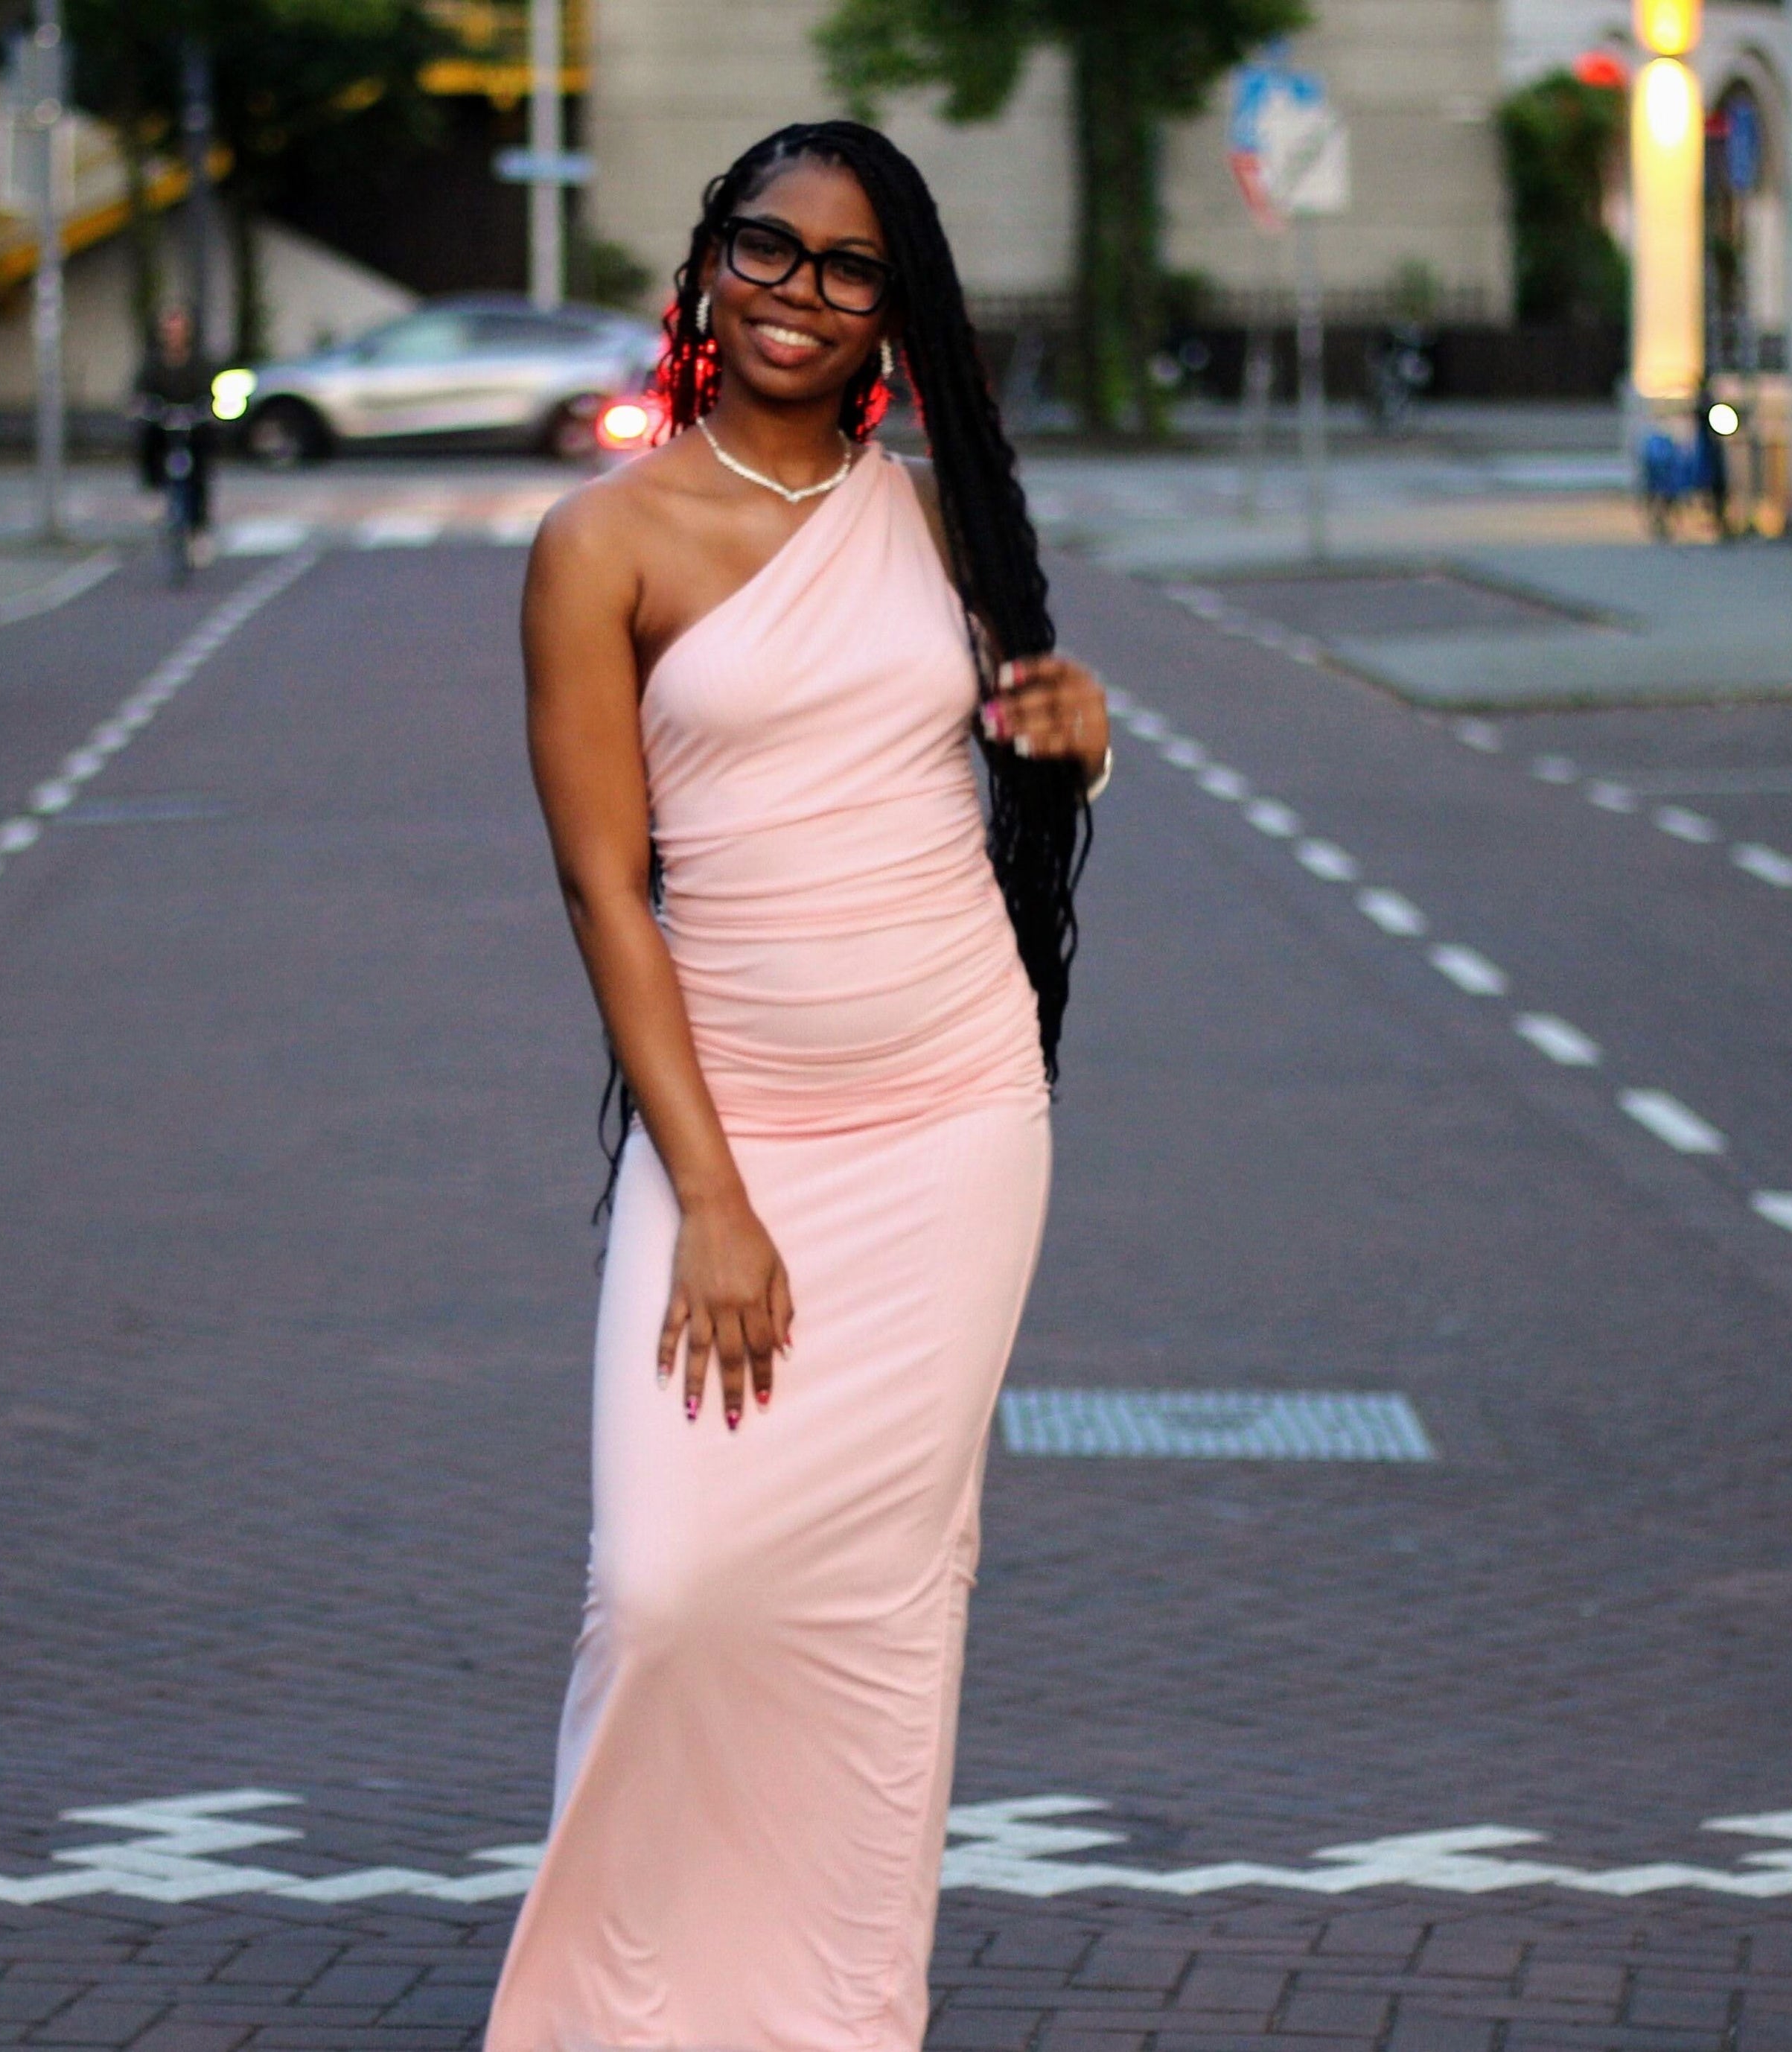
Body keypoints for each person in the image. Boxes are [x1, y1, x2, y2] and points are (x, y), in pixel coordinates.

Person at [488, 121, 1110, 2051]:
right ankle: (620, 2007)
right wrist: (719, 1196)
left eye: (850, 270)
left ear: (892, 316)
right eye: (770, 248)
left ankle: (832, 2010)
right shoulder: (604, 543)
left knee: (875, 1603)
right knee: (671, 1582)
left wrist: (1089, 743)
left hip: (956, 1117)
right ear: (710, 261)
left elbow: (1025, 750)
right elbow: (608, 885)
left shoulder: (939, 522)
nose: (800, 293)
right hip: (732, 1130)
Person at [133, 305, 215, 544]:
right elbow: (141, 393)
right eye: (169, 331)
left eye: (178, 330)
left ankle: (199, 529)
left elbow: (208, 394)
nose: (174, 336)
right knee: (148, 439)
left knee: (201, 464)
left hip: (192, 424)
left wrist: (206, 411)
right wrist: (146, 408)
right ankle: (153, 489)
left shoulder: (199, 363)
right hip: (163, 423)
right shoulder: (153, 364)